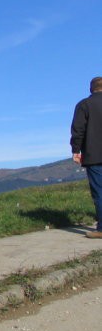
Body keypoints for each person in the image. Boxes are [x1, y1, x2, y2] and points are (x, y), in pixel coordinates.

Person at [70, 76, 102, 239]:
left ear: (91, 89)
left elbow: (78, 129)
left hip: (94, 154)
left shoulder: (84, 105)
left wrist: (76, 150)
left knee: (100, 191)